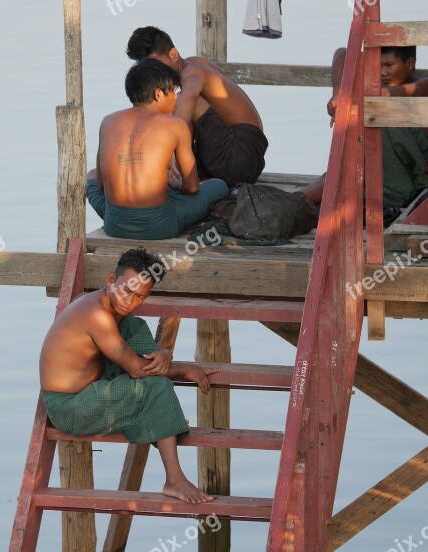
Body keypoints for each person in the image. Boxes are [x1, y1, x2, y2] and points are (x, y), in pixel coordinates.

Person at [40, 248, 219, 504]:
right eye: (125, 290)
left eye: (139, 296)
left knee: (133, 326)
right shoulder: (96, 315)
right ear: (110, 279)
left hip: (95, 385)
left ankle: (157, 413)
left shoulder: (112, 308)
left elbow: (135, 359)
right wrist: (181, 367)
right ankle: (175, 479)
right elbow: (136, 370)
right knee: (156, 386)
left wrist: (163, 355)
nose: (129, 301)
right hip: (70, 407)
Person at [301, 46, 428, 226]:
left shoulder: (426, 86)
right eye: (378, 66)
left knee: (376, 112)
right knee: (340, 174)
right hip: (388, 161)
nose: (382, 72)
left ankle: (304, 200)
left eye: (388, 65)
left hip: (424, 167)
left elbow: (384, 96)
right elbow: (342, 53)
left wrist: (348, 96)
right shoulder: (384, 85)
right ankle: (295, 200)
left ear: (410, 63)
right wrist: (338, 92)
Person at [87, 59, 229, 240]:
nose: (176, 97)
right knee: (219, 185)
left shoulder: (107, 121)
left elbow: (100, 184)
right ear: (158, 94)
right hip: (160, 226)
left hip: (114, 225)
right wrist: (177, 186)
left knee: (90, 175)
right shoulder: (176, 125)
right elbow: (192, 188)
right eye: (172, 91)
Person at [126, 26, 269, 188]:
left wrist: (170, 150)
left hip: (240, 157)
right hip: (240, 153)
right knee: (173, 104)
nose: (155, 71)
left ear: (173, 55)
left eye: (156, 64)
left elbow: (189, 98)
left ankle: (180, 173)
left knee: (181, 102)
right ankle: (180, 172)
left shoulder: (192, 73)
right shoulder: (193, 62)